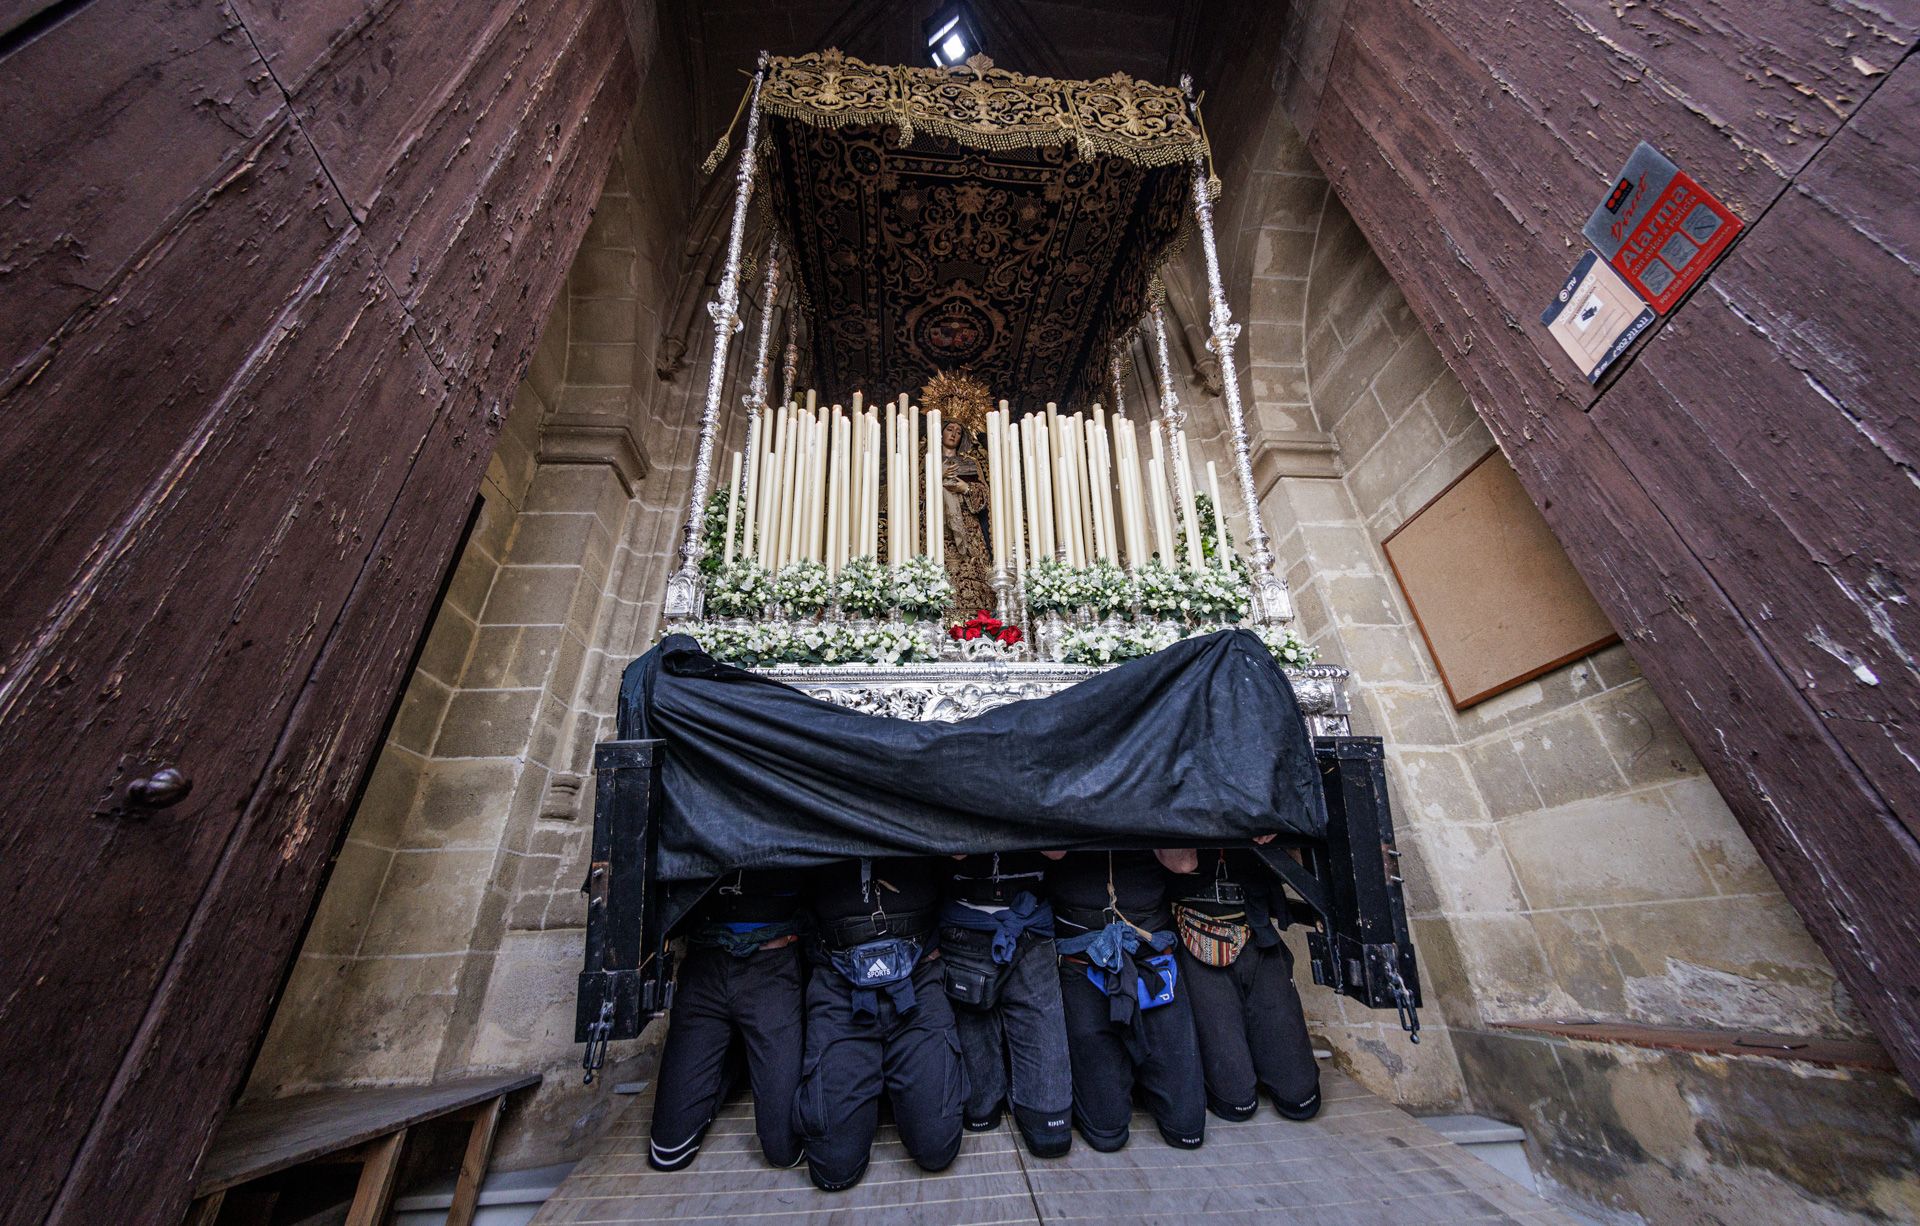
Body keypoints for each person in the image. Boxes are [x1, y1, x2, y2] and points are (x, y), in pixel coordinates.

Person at [793, 856, 965, 1190]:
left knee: (937, 1147)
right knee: (833, 1167)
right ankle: (871, 1079)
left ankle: (900, 1081)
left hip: (917, 972)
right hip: (839, 979)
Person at [1047, 849, 1206, 1152]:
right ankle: (1121, 1071)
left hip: (1150, 951)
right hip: (1085, 955)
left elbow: (1183, 863)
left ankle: (1140, 1069)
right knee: (1106, 1133)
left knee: (1187, 1130)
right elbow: (1053, 851)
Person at [647, 868, 805, 1171]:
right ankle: (735, 1056)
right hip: (706, 965)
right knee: (669, 1153)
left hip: (772, 966)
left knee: (783, 1149)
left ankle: (751, 1051)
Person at [1171, 848, 1322, 1122]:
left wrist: (1272, 829)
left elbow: (1296, 857)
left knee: (1300, 1098)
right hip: (1194, 927)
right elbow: (1181, 862)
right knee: (1236, 1100)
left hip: (1254, 925)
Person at [939, 853, 1073, 1157]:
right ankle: (992, 1095)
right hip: (966, 925)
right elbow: (954, 848)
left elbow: (1057, 851)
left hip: (1032, 925)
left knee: (1051, 1136)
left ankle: (1025, 1095)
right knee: (979, 1114)